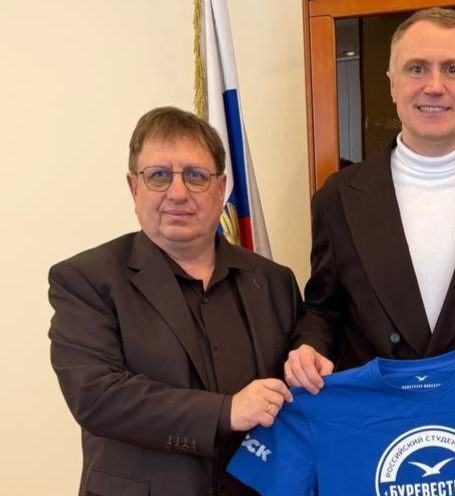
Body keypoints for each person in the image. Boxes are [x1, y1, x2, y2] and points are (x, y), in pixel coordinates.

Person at [286, 7, 455, 392]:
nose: (435, 86)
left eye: (453, 69)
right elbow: (324, 310)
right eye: (417, 68)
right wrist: (309, 347)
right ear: (392, 84)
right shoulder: (338, 196)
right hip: (378, 413)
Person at [48, 107, 302, 496]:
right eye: (159, 176)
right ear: (134, 187)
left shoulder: (273, 281)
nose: (178, 193)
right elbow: (97, 396)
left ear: (221, 188)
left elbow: (300, 381)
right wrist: (226, 411)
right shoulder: (86, 279)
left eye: (196, 176)